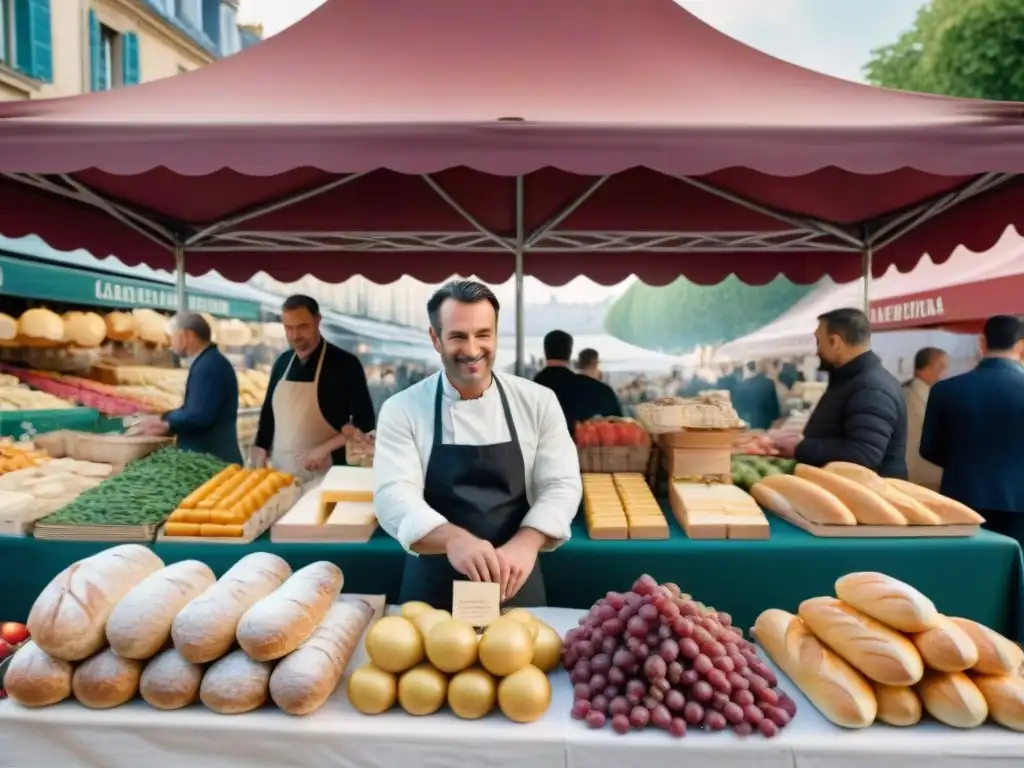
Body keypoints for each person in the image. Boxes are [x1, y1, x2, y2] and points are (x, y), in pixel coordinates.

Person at [373, 280, 582, 610]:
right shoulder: (402, 409)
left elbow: (561, 484)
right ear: (435, 339)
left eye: (483, 334)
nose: (472, 349)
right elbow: (392, 496)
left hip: (514, 580)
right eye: (458, 336)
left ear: (497, 334)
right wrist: (453, 539)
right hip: (433, 589)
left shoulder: (538, 401)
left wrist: (527, 542)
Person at [251, 294, 375, 483]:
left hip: (328, 476)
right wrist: (260, 448)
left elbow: (365, 423)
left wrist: (323, 449)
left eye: (302, 327)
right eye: (288, 328)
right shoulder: (282, 363)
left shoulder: (345, 364)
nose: (294, 335)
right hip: (281, 476)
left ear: (317, 321)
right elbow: (268, 413)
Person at [921, 316, 1024, 542]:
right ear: (1021, 347)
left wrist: (963, 463)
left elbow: (928, 448)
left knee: (964, 569)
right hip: (1019, 502)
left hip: (961, 496)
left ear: (982, 343)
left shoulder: (945, 390)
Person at [775, 308, 908, 477]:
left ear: (835, 342)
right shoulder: (852, 380)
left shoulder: (871, 388)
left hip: (865, 497)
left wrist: (800, 447)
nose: (816, 351)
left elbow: (864, 454)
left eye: (818, 342)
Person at [136, 313, 242, 464]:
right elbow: (195, 409)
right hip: (211, 457)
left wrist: (168, 424)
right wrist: (165, 417)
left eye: (171, 336)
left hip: (212, 459)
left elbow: (199, 415)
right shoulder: (209, 361)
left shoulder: (208, 366)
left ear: (188, 335)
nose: (169, 343)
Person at [533, 333, 622, 437]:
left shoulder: (531, 388)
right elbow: (619, 421)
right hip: (579, 449)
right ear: (570, 352)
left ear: (545, 351)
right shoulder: (598, 390)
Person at [904, 347, 948, 490]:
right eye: (941, 367)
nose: (945, 372)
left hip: (918, 472)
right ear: (925, 370)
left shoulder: (924, 392)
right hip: (921, 474)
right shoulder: (911, 395)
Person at [734, 360, 781, 430]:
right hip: (765, 419)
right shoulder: (768, 383)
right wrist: (776, 417)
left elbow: (738, 404)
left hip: (747, 419)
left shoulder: (742, 384)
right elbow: (773, 404)